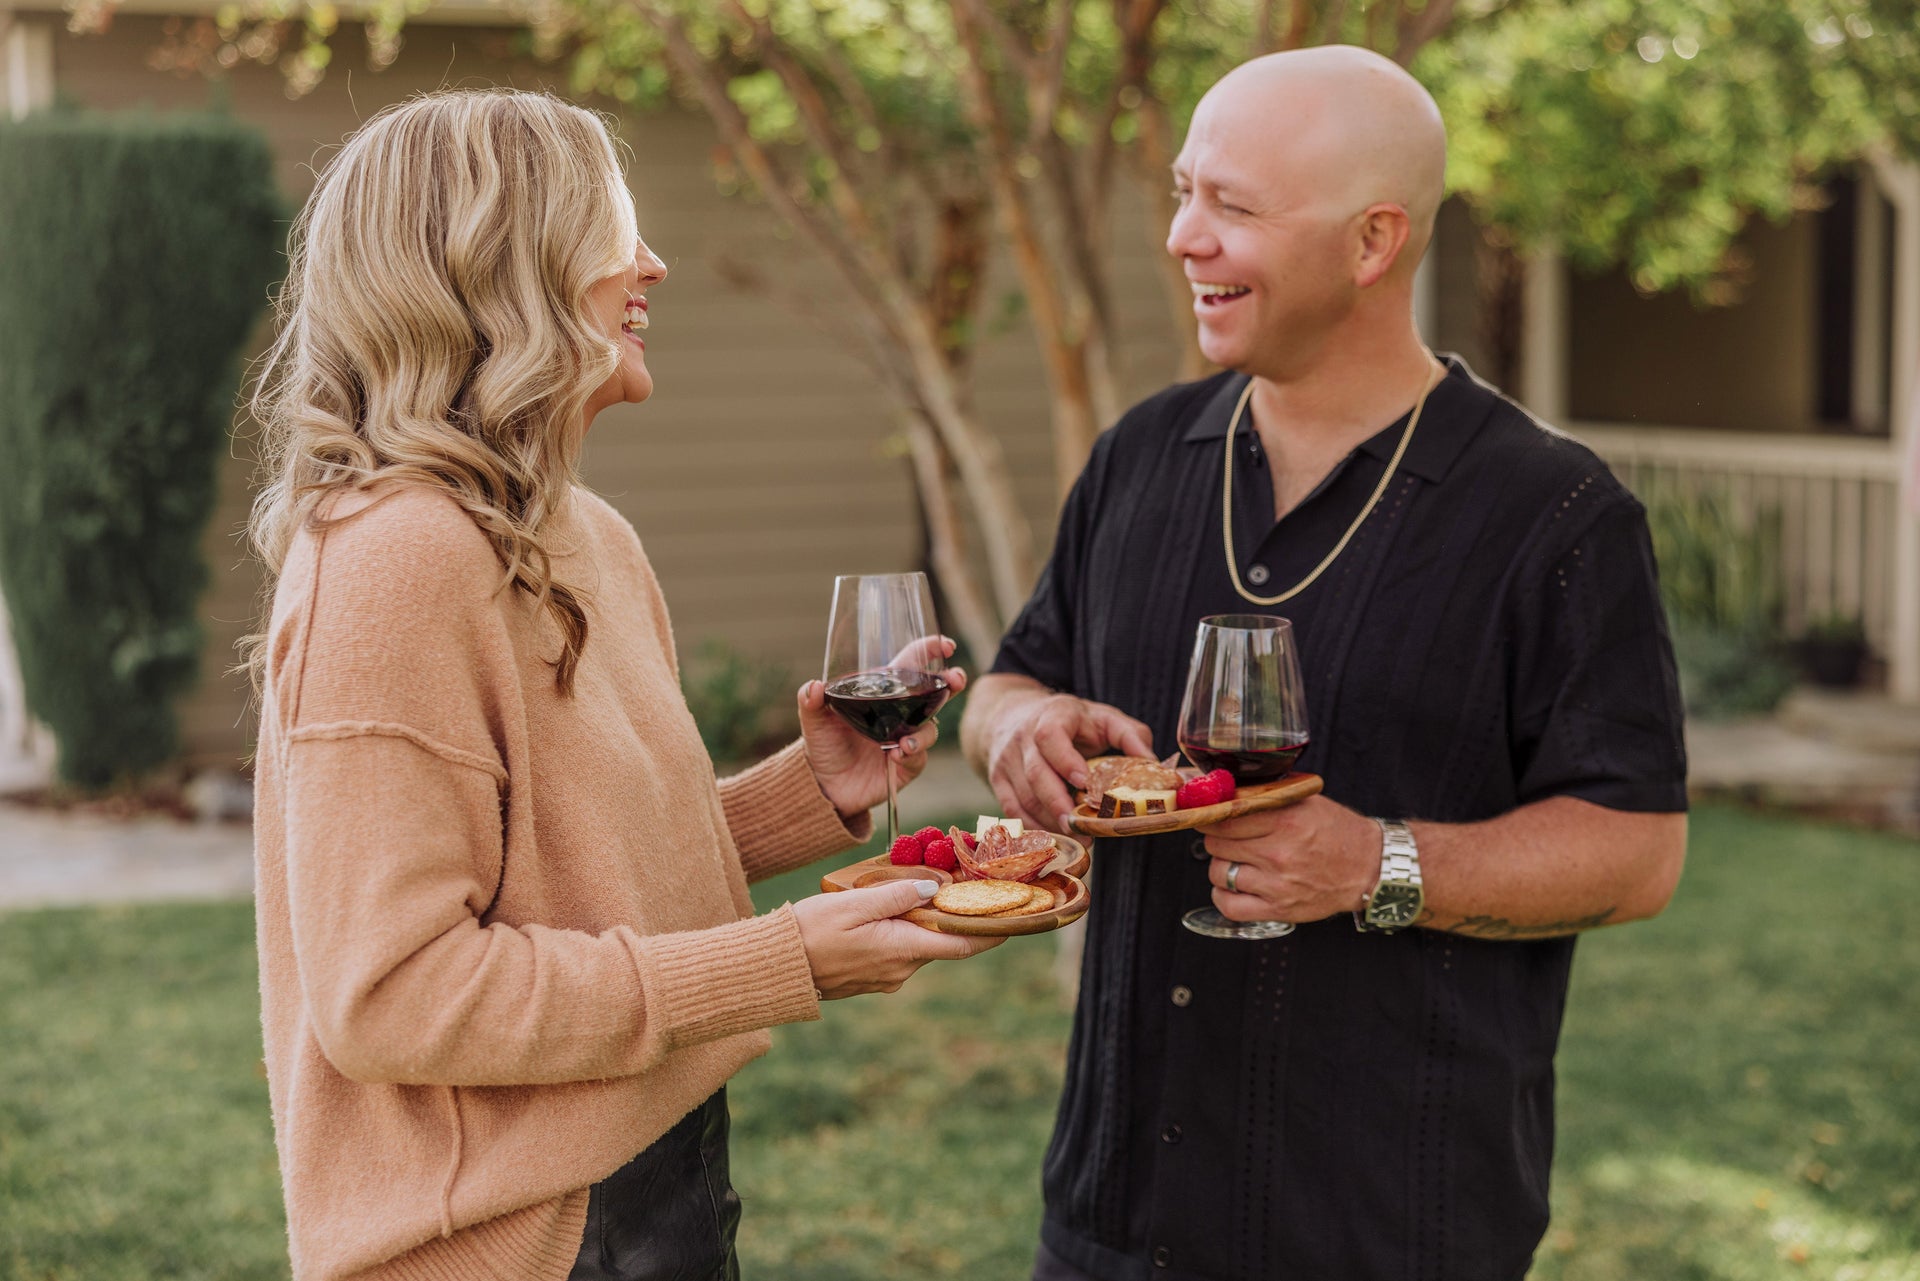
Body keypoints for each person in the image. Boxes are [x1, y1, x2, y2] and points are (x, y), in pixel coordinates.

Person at [962, 46, 1688, 1281]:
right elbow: (1009, 681)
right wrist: (1017, 730)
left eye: (1233, 206)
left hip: (1390, 1231)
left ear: (1373, 243)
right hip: (1109, 1226)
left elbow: (1637, 851)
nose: (1184, 236)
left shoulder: (1555, 515)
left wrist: (1374, 866)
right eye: (1184, 193)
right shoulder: (1139, 455)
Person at [244, 90, 997, 1281]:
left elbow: (573, 868)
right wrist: (779, 962)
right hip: (518, 1236)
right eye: (610, 229)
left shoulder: (584, 533)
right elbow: (394, 995)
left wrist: (809, 794)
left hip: (664, 1168)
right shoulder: (393, 561)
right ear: (501, 264)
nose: (652, 263)